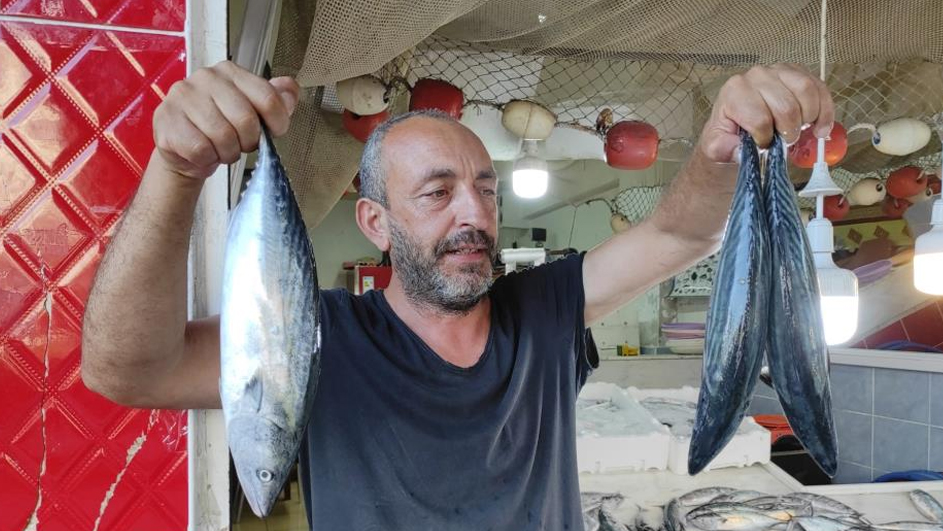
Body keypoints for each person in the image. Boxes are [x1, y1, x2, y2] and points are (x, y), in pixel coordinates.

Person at [81, 60, 834, 530]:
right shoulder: (320, 334)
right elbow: (125, 369)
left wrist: (716, 146)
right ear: (374, 222)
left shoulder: (542, 310)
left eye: (485, 189)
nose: (473, 213)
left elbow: (678, 235)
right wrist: (176, 171)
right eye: (437, 192)